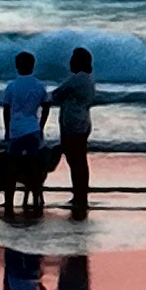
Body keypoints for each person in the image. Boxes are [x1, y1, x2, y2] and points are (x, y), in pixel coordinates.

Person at [0, 50, 51, 210]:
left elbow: (6, 110)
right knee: (33, 165)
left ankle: (9, 201)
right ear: (33, 66)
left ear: (17, 66)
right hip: (32, 128)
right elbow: (46, 106)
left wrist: (7, 129)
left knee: (13, 166)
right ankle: (35, 199)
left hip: (17, 129)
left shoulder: (12, 86)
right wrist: (41, 126)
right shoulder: (39, 86)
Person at [52, 44, 97, 212]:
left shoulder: (77, 79)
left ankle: (79, 195)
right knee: (79, 161)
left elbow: (56, 95)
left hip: (73, 124)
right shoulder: (88, 78)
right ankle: (80, 194)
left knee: (75, 161)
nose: (70, 63)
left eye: (73, 60)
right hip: (82, 122)